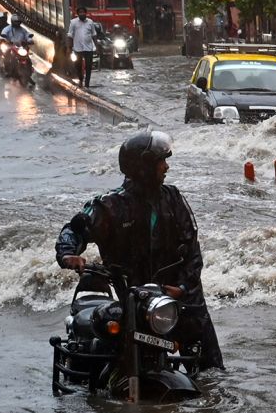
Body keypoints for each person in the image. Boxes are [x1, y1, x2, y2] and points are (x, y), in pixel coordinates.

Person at [55, 131, 224, 371]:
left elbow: (193, 254)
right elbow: (75, 229)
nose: (166, 167)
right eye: (161, 161)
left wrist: (183, 288)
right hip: (135, 303)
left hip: (178, 301)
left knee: (213, 373)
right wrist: (68, 253)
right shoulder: (109, 206)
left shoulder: (174, 200)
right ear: (143, 167)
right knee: (108, 350)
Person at [67, 6, 99, 88]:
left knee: (88, 66)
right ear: (77, 14)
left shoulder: (90, 22)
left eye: (83, 12)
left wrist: (96, 46)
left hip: (88, 48)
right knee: (78, 65)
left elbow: (94, 34)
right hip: (78, 48)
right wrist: (69, 47)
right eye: (80, 12)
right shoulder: (73, 22)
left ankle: (87, 83)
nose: (82, 14)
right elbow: (70, 35)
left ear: (86, 13)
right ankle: (81, 79)